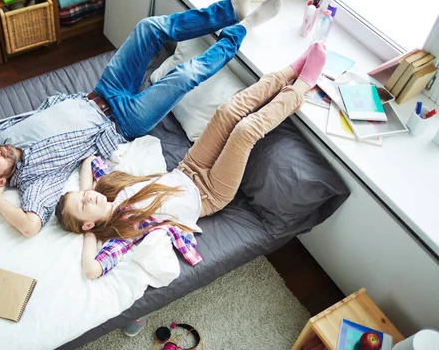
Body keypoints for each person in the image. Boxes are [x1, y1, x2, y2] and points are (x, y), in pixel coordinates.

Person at [0, 0, 281, 237]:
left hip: (102, 91)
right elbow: (29, 227)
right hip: (123, 122)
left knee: (148, 28)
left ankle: (230, 10)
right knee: (184, 76)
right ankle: (245, 27)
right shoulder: (34, 180)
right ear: (1, 183)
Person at [55, 42, 327, 279]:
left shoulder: (106, 189)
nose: (87, 197)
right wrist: (90, 235)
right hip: (209, 194)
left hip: (188, 168)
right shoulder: (121, 233)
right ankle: (302, 86)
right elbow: (92, 269)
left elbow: (89, 161)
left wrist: (87, 190)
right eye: (82, 204)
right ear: (88, 224)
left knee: (227, 111)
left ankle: (289, 72)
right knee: (245, 132)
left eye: (81, 195)